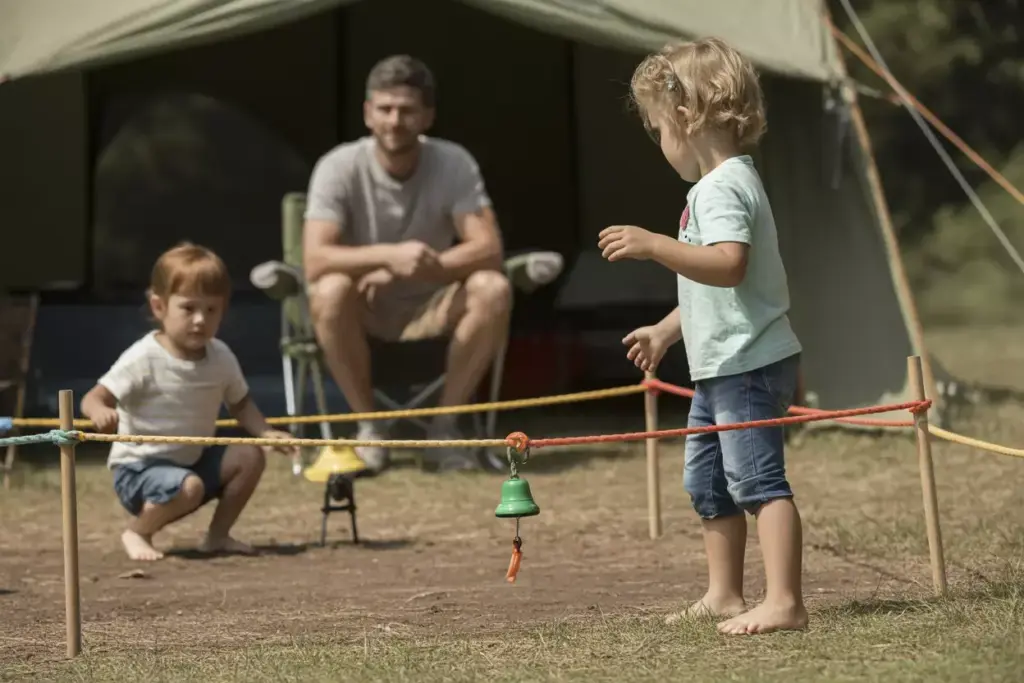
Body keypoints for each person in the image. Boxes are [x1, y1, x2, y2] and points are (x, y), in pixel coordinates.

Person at [598, 37, 807, 635]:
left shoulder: (721, 188)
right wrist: (667, 331)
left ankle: (786, 601)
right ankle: (724, 593)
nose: (660, 144)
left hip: (746, 363)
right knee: (709, 482)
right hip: (718, 364)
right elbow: (714, 285)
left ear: (686, 118)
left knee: (757, 481)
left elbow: (729, 264)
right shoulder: (719, 185)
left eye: (659, 130)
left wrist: (654, 245)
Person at [302, 54, 511, 474]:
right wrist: (388, 258)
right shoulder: (338, 166)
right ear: (367, 113)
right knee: (328, 290)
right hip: (366, 310)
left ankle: (444, 430)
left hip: (434, 305)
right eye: (385, 108)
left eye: (407, 110)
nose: (395, 120)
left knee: (493, 287)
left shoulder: (453, 162)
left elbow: (489, 248)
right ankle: (369, 430)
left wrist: (421, 266)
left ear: (427, 116)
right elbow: (315, 259)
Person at [81, 243, 296, 562]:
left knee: (249, 456)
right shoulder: (143, 357)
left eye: (211, 310)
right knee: (190, 487)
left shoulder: (221, 356)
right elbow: (93, 398)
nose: (200, 320)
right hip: (139, 470)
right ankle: (138, 531)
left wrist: (265, 432)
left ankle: (217, 536)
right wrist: (100, 412)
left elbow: (241, 404)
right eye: (189, 308)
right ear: (159, 307)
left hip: (191, 463)